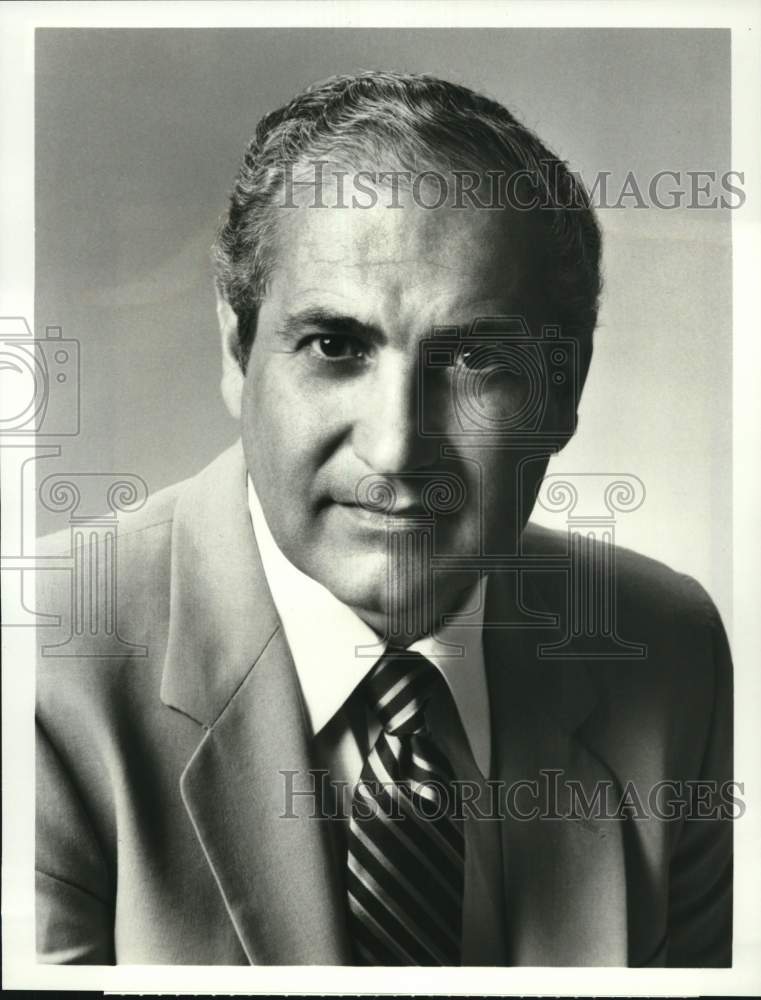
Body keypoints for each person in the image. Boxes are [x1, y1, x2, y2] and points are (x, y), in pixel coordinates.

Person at [35, 71, 733, 967]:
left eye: (475, 358)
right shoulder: (42, 663)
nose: (398, 450)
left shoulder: (665, 645)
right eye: (335, 347)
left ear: (563, 389)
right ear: (237, 354)